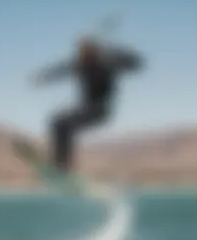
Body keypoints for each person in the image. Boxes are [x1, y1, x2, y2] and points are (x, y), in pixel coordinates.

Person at [30, 36, 145, 173]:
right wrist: (42, 77)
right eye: (81, 53)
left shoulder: (107, 64)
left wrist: (115, 50)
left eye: (85, 54)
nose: (82, 57)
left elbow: (136, 63)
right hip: (85, 110)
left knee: (63, 124)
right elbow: (60, 70)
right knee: (58, 123)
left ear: (94, 53)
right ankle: (61, 165)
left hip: (101, 111)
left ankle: (62, 166)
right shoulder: (80, 65)